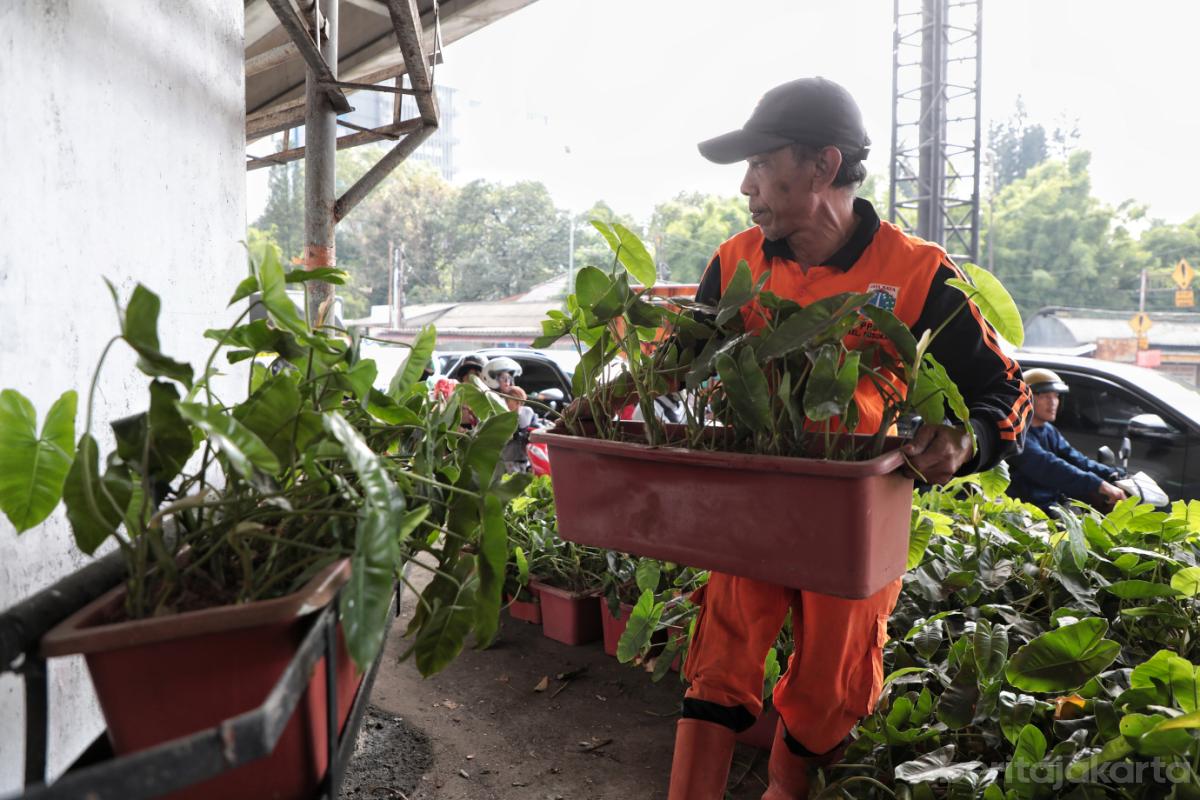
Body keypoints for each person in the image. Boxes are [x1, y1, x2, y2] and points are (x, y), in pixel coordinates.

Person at [667, 77, 1032, 800]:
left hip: (856, 518)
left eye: (762, 167)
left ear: (823, 167)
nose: (746, 188)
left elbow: (1007, 393)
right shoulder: (734, 260)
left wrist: (967, 441)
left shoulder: (918, 272)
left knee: (832, 683)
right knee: (720, 658)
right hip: (752, 504)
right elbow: (679, 364)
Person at [1006, 367, 1127, 513]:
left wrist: (1113, 474)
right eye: (1044, 396)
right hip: (1030, 513)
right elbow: (1051, 466)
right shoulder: (1016, 434)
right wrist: (1099, 484)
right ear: (1025, 398)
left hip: (1054, 503)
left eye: (1056, 396)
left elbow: (1075, 459)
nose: (1053, 403)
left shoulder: (1048, 430)